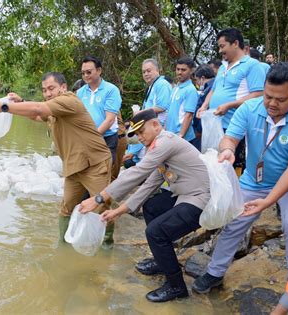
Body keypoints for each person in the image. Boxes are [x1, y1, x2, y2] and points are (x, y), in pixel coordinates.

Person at [192, 62, 288, 294]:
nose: (272, 103)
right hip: (253, 179)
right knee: (234, 222)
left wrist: (268, 201)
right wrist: (227, 150)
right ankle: (215, 272)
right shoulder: (250, 108)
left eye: (280, 100)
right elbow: (230, 137)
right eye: (268, 96)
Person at [79, 109, 210, 303]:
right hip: (186, 194)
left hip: (201, 199)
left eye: (142, 132)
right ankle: (162, 259)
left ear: (156, 125)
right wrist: (117, 211)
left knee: (155, 233)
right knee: (151, 206)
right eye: (136, 134)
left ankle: (176, 286)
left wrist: (99, 198)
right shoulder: (158, 148)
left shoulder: (166, 142)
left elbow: (137, 173)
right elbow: (148, 185)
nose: (140, 138)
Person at [0, 72, 112, 244]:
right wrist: (20, 103)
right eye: (44, 90)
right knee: (66, 208)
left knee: (102, 206)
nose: (47, 94)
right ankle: (63, 246)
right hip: (73, 165)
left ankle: (106, 245)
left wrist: (4, 107)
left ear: (63, 87)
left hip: (94, 163)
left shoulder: (69, 101)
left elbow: (38, 108)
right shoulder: (54, 108)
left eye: (51, 88)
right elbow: (38, 115)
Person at [197, 27, 266, 173]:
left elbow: (259, 94)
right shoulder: (222, 67)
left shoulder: (252, 66)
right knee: (216, 165)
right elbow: (214, 90)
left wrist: (230, 105)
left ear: (235, 43)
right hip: (217, 124)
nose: (220, 51)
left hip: (237, 126)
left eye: (222, 46)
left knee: (232, 166)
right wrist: (204, 106)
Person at [76, 56, 122, 163]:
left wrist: (93, 137)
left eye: (88, 72)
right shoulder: (80, 92)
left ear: (99, 70)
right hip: (86, 139)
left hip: (107, 139)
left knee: (104, 172)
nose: (85, 76)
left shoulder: (111, 90)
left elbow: (109, 119)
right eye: (83, 73)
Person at [166, 56, 199, 149]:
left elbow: (189, 115)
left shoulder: (191, 90)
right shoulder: (175, 88)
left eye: (183, 70)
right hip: (170, 135)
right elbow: (169, 112)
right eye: (178, 69)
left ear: (191, 71)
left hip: (182, 138)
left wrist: (181, 135)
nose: (179, 72)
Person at [141, 58, 173, 127]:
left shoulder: (162, 84)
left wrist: (142, 112)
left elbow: (161, 107)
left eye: (148, 71)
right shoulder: (152, 85)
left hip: (160, 128)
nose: (146, 74)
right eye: (143, 72)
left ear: (157, 70)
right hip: (152, 126)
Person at [192, 64, 216, 150]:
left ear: (202, 78)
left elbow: (204, 111)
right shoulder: (212, 86)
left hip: (202, 131)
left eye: (196, 80)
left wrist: (199, 130)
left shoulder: (209, 89)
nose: (196, 83)